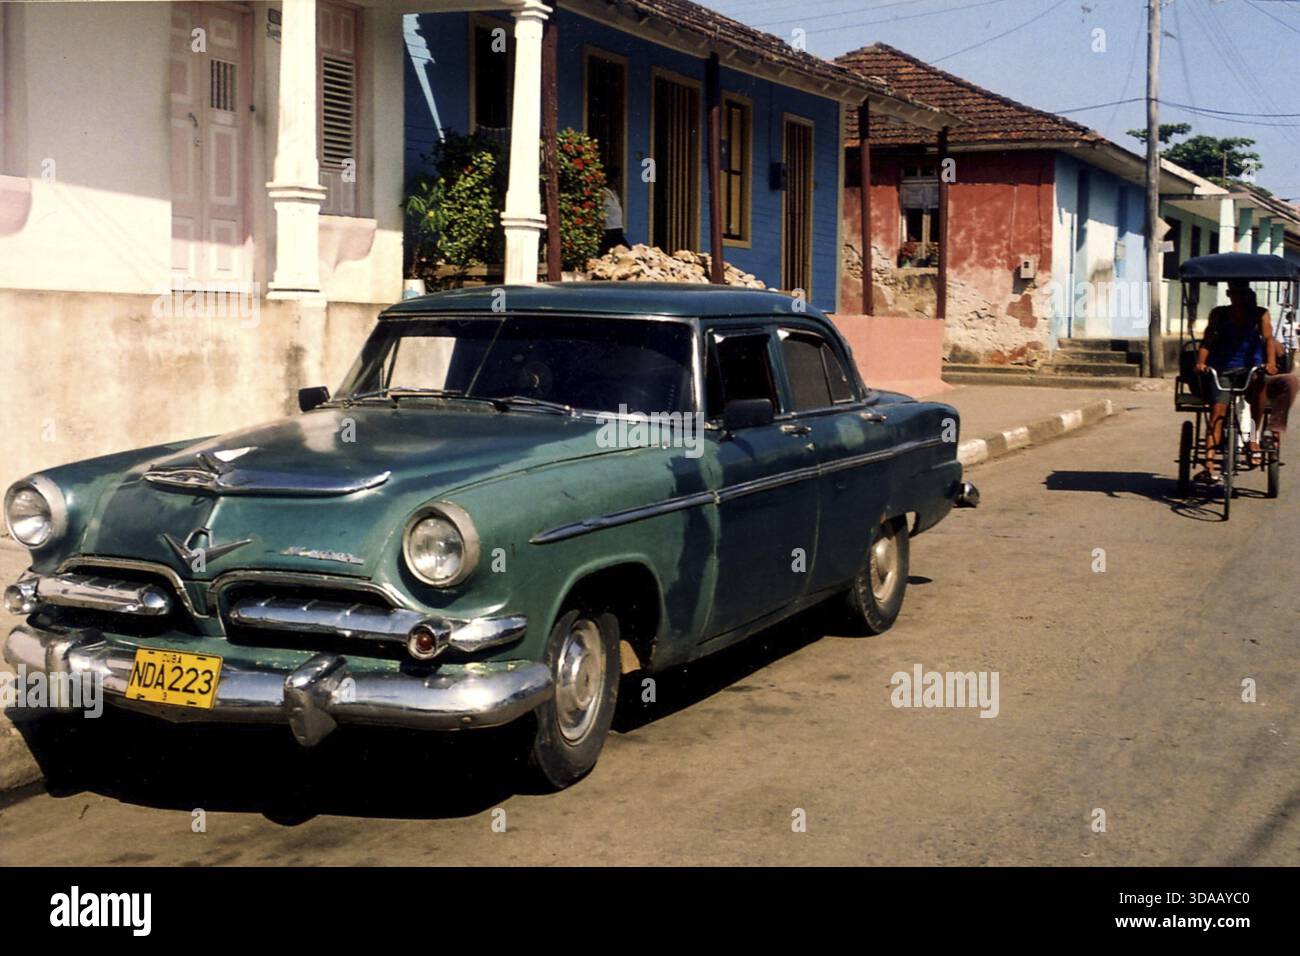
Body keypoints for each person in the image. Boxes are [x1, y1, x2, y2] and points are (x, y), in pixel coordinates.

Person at [1194, 281, 1278, 481]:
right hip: (1222, 368)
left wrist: (1271, 362)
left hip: (1251, 368)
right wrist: (1200, 362)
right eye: (1235, 293)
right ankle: (1209, 463)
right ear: (1229, 294)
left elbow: (1268, 340)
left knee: (1259, 390)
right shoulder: (1219, 314)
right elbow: (1207, 341)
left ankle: (1253, 438)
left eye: (1244, 293)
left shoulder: (1260, 314)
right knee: (1217, 412)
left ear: (1249, 294)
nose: (1240, 297)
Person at [599, 168, 628, 254]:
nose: (618, 181)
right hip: (608, 228)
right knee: (624, 251)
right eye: (617, 178)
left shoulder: (614, 193)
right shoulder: (603, 193)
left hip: (617, 227)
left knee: (610, 252)